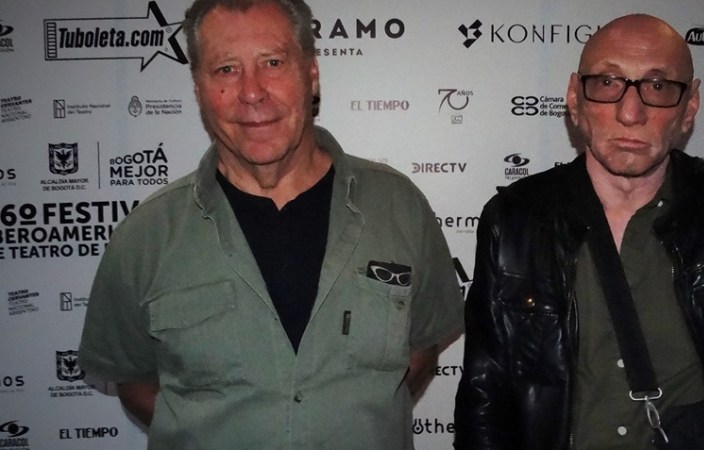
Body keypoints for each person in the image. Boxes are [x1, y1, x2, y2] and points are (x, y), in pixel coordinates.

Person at [78, 0, 462, 448]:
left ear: (311, 74)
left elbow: (420, 352)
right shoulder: (146, 235)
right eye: (226, 69)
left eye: (273, 63)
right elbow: (136, 382)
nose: (252, 92)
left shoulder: (399, 207)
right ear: (199, 88)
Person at [454, 14, 704, 450]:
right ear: (575, 98)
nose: (631, 113)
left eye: (657, 87)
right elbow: (486, 390)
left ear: (689, 107)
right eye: (607, 82)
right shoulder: (515, 219)